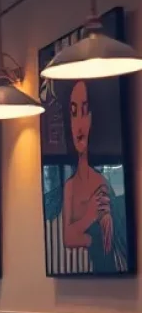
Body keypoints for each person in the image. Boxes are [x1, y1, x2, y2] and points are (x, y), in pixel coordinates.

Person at [60, 78, 122, 270]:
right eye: (73, 113)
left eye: (85, 111)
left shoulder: (101, 184)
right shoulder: (69, 186)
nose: (78, 125)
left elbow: (106, 243)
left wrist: (85, 234)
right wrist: (89, 217)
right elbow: (68, 238)